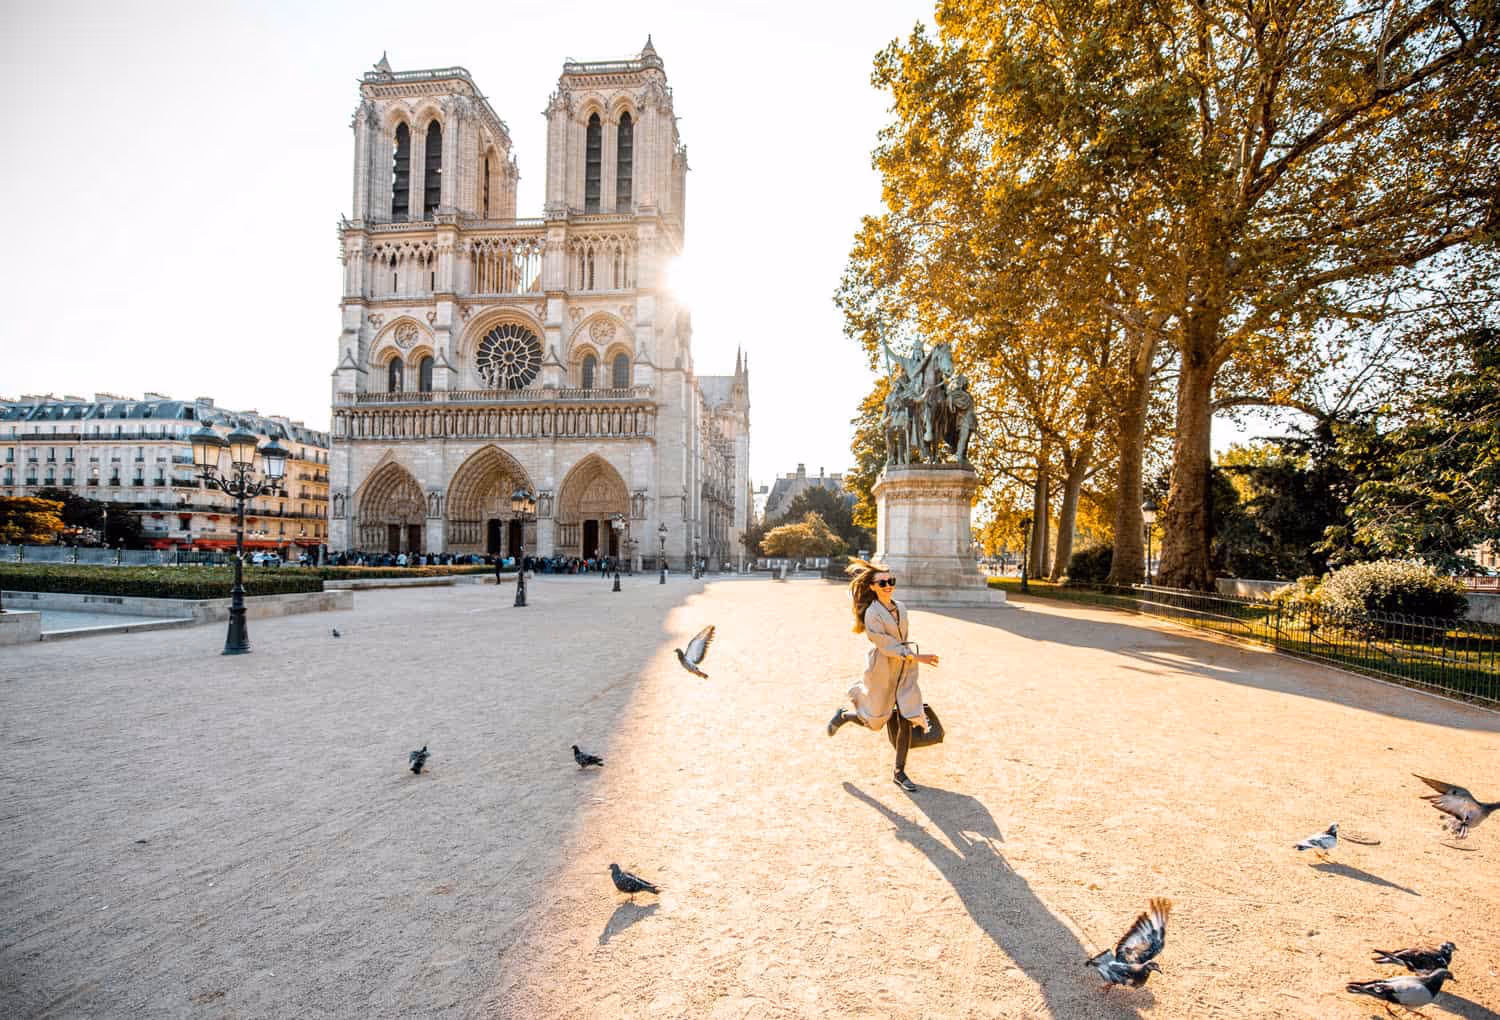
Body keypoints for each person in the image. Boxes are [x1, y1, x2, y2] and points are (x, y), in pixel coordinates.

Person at [827, 558, 939, 792]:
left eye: (891, 581)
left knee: (906, 718)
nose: (888, 585)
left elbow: (900, 639)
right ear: (873, 587)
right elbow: (886, 645)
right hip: (883, 670)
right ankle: (845, 716)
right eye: (882, 583)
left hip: (904, 669)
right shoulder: (872, 613)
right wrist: (917, 657)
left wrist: (911, 659)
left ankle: (899, 772)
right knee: (876, 720)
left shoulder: (901, 607)